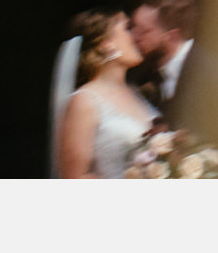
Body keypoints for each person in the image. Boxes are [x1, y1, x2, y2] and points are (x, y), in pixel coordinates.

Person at [130, 0, 218, 175]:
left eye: (144, 31)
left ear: (171, 36)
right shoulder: (145, 79)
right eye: (133, 28)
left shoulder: (214, 73)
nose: (133, 37)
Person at [54, 9, 157, 178]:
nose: (135, 35)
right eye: (127, 28)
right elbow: (74, 177)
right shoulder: (84, 100)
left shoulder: (138, 94)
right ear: (106, 43)